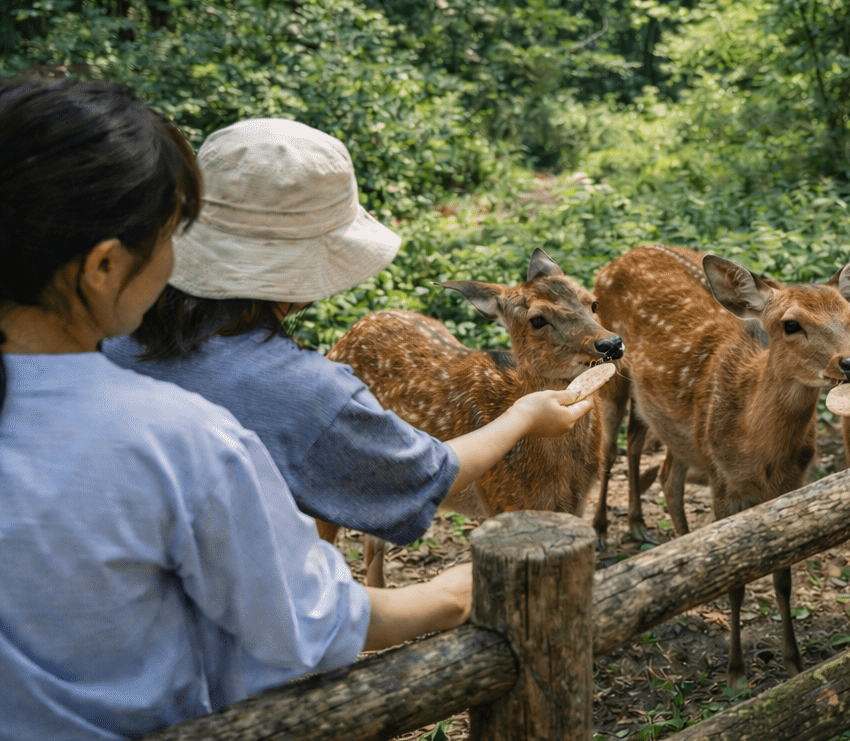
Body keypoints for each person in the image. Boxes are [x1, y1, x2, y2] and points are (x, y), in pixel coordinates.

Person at [0, 77, 485, 741]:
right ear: (105, 266)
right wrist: (451, 595)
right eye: (168, 235)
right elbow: (302, 622)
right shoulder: (186, 443)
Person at [101, 117, 590, 555]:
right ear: (307, 275)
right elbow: (420, 476)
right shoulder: (306, 392)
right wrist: (524, 417)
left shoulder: (107, 339)